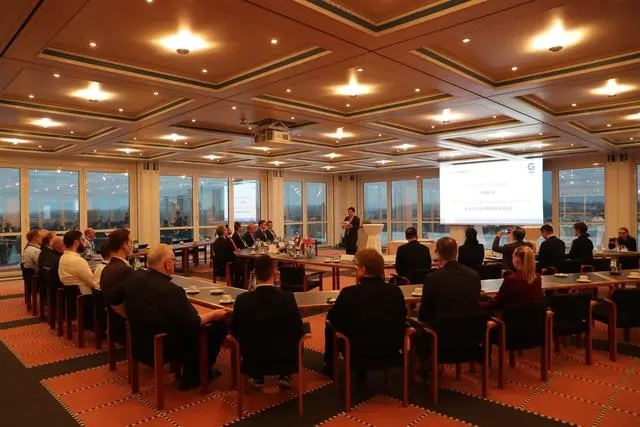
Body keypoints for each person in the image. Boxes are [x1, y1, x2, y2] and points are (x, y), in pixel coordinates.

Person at [107, 244, 229, 390]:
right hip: (164, 345)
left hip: (137, 340)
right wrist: (213, 314)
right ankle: (195, 375)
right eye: (173, 260)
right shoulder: (172, 290)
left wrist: (129, 316)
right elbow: (193, 322)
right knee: (218, 326)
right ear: (167, 264)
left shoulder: (133, 277)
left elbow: (112, 298)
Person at [322, 248, 407, 375]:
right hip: (391, 348)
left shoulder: (349, 293)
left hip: (356, 350)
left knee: (329, 324)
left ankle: (330, 365)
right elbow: (403, 316)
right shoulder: (395, 291)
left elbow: (333, 319)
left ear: (362, 269)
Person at [231, 255, 303, 388]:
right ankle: (285, 374)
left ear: (254, 274)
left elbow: (235, 329)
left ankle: (257, 375)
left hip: (253, 357)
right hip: (284, 357)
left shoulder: (242, 300)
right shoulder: (287, 298)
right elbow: (298, 328)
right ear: (275, 274)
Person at [419, 237, 482, 324]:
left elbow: (424, 313)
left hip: (439, 328)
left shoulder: (432, 278)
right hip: (471, 327)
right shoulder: (474, 275)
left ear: (437, 253)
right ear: (457, 252)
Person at [489, 246, 542, 311]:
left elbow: (496, 303)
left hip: (512, 316)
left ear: (516, 260)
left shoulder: (511, 279)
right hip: (534, 316)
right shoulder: (538, 278)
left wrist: (479, 305)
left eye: (512, 257)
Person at [58, 230, 97, 295]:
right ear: (76, 242)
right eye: (82, 240)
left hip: (71, 296)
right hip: (85, 296)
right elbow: (92, 284)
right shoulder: (78, 261)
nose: (84, 243)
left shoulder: (62, 257)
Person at [99, 228, 133, 298]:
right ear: (125, 245)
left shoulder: (105, 268)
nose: (132, 245)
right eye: (131, 242)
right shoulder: (125, 270)